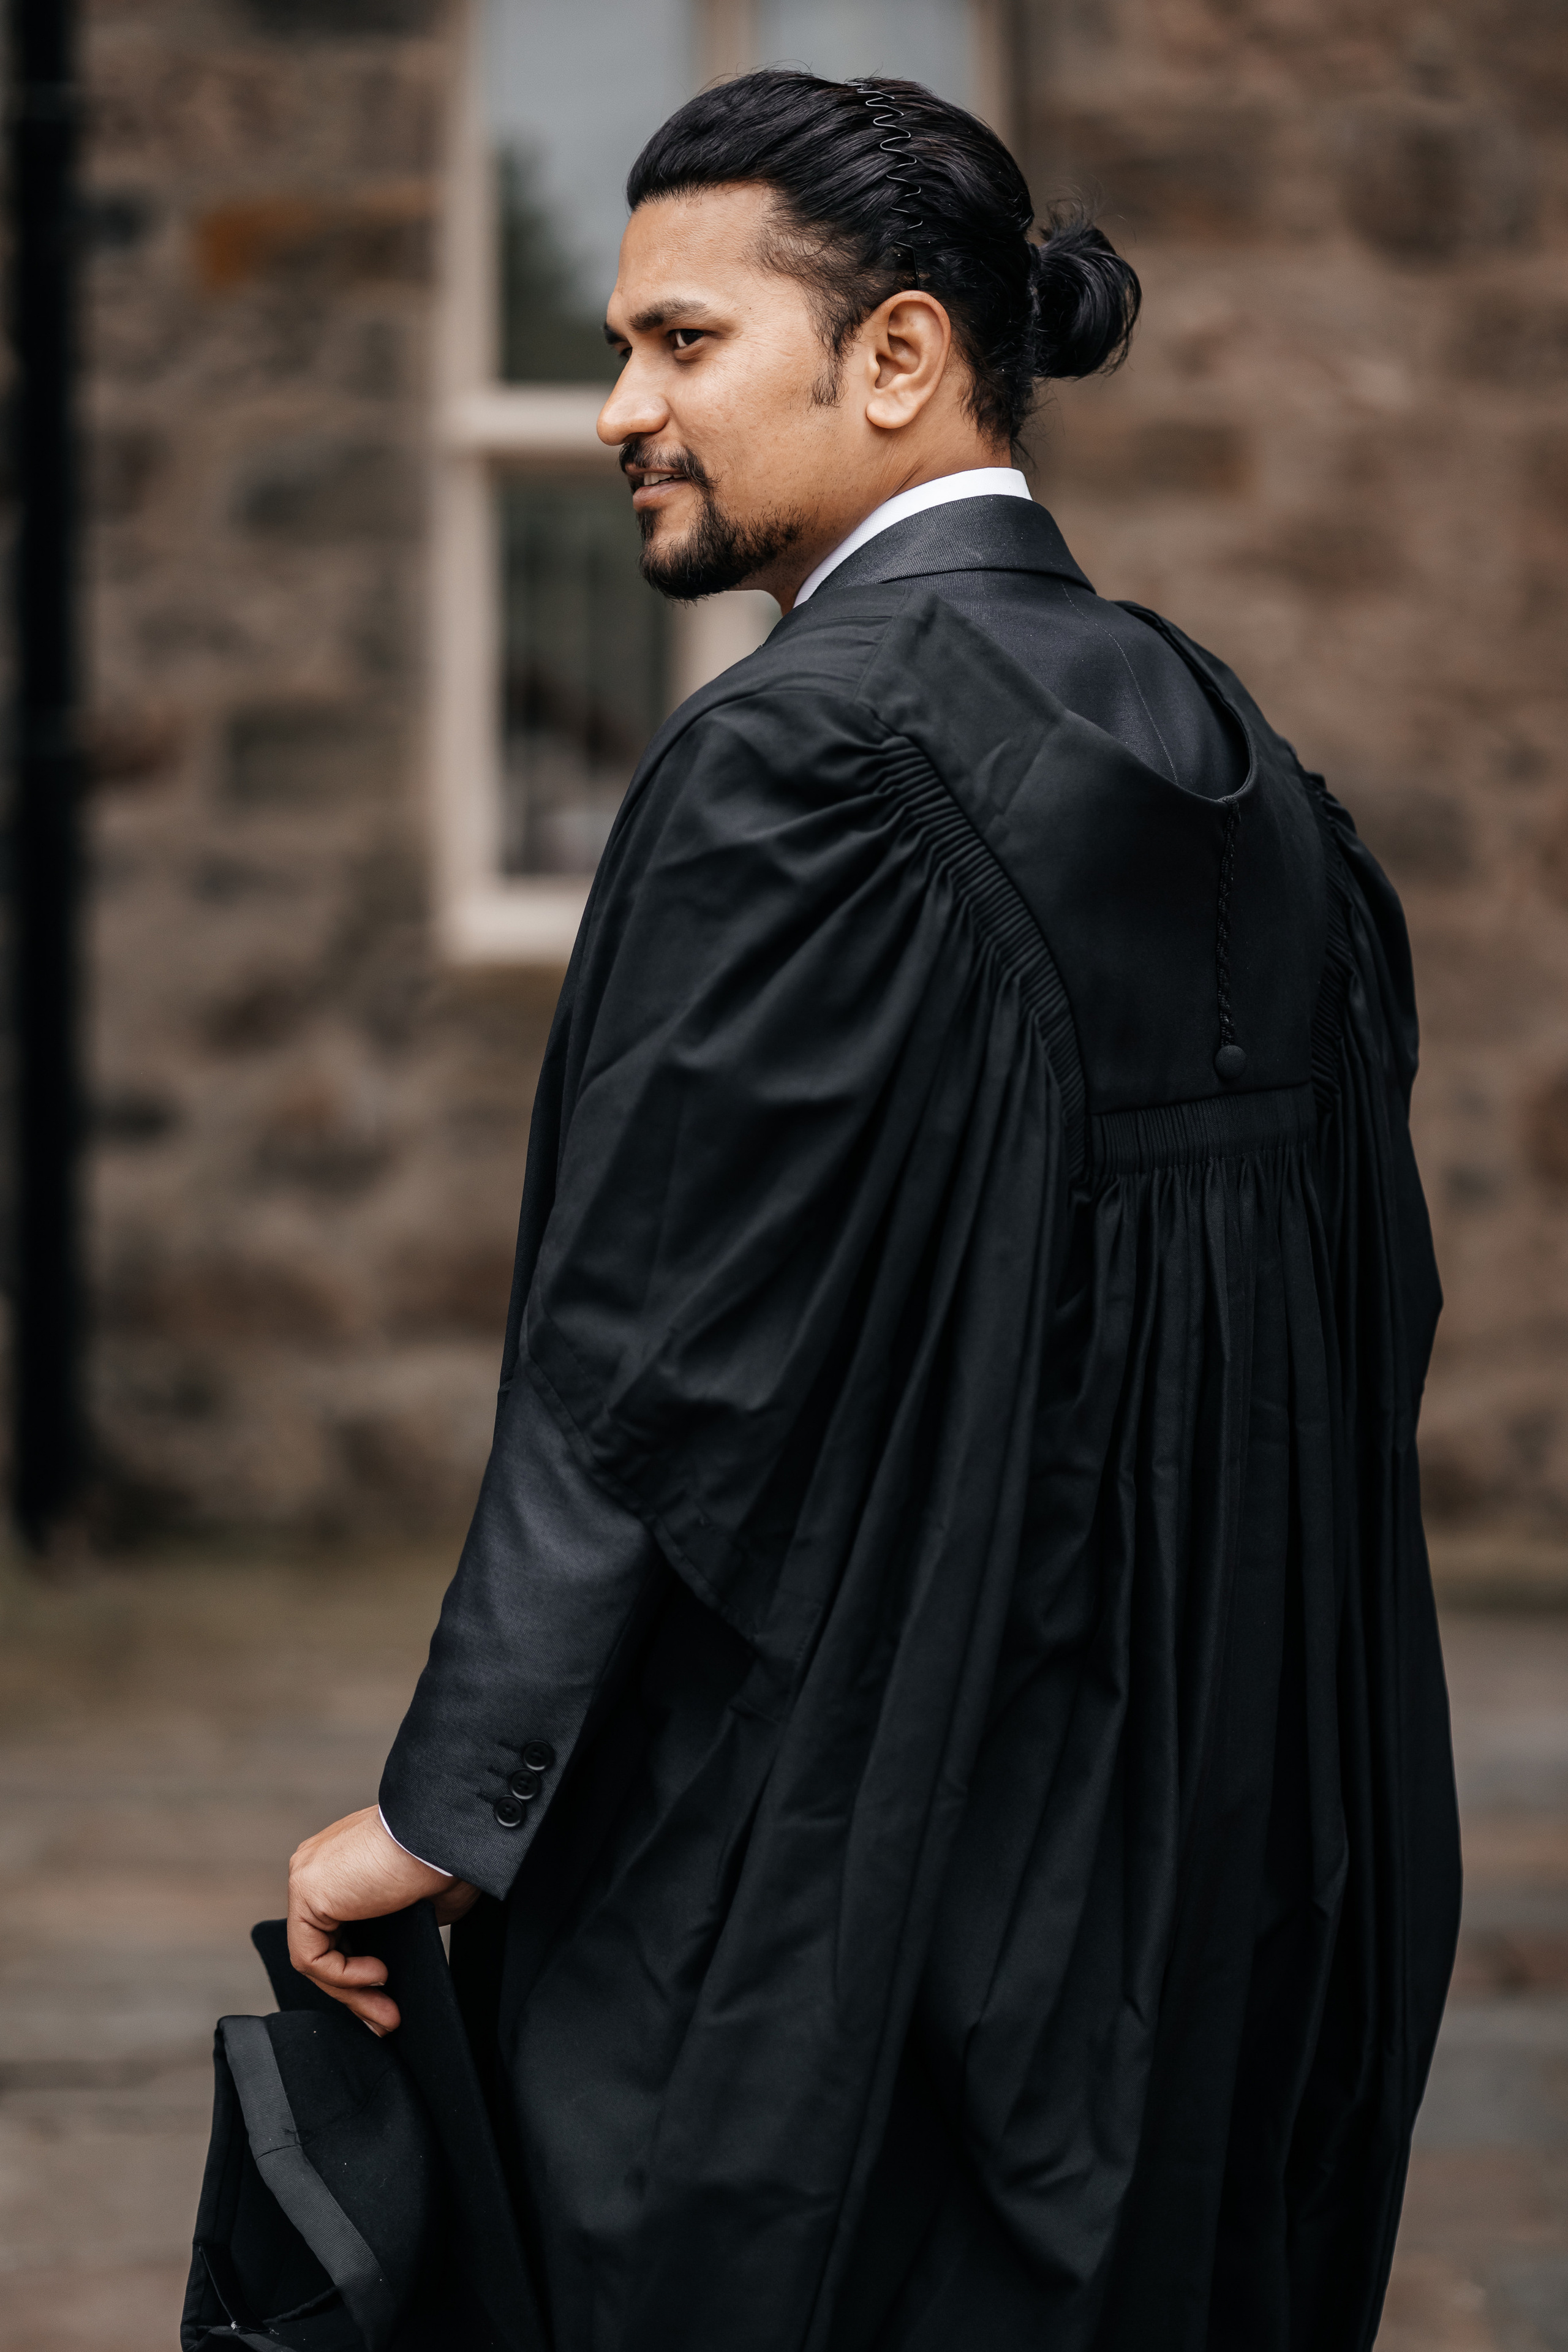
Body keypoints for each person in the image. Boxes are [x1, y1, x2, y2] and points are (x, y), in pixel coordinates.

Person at [286, 69, 1461, 2352]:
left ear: (900, 356)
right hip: (1224, 1856)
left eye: (684, 342)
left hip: (872, 1869)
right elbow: (1360, 1321)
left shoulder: (802, 764)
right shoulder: (1251, 771)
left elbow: (646, 1361)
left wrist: (447, 1806)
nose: (619, 405)